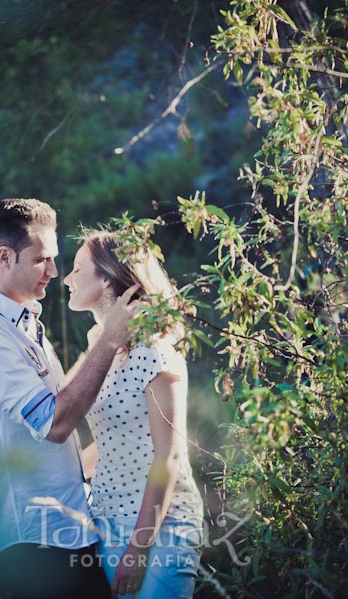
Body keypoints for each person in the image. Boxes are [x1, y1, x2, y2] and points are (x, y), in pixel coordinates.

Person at [0, 199, 141, 599]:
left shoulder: (20, 321)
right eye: (42, 260)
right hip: (34, 543)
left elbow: (60, 403)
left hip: (66, 533)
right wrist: (109, 339)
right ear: (4, 257)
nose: (54, 271)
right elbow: (54, 423)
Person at [63, 229, 204, 599]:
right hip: (107, 519)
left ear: (107, 279)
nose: (66, 278)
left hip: (161, 527)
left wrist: (139, 548)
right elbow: (111, 441)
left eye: (77, 269)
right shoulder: (100, 344)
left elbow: (168, 453)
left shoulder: (154, 346)